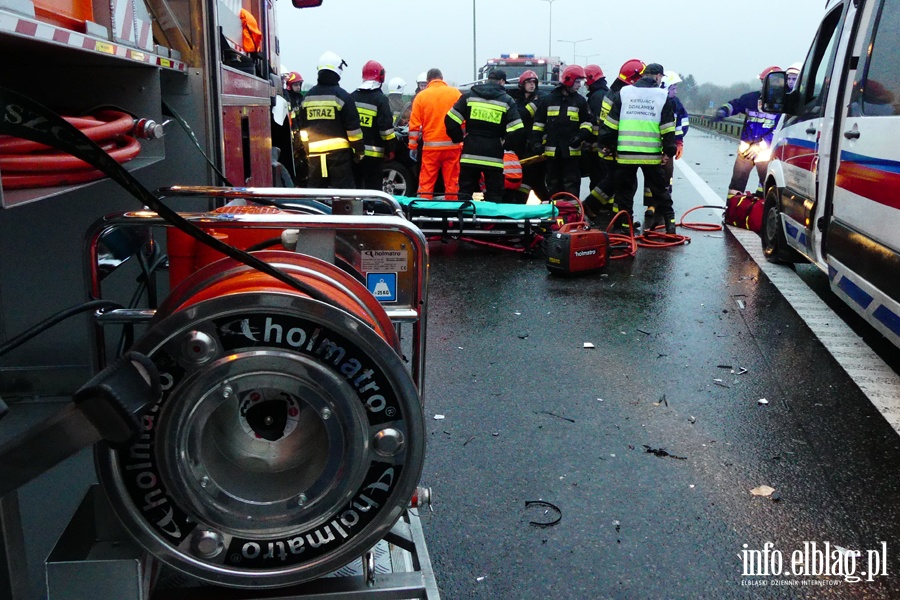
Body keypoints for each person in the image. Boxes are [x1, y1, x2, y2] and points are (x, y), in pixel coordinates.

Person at [599, 63, 677, 235]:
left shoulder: (624, 93)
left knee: (624, 192)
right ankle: (670, 224)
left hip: (625, 154)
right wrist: (668, 152)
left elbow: (611, 124)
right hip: (651, 155)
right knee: (659, 190)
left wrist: (609, 145)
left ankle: (626, 227)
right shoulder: (663, 96)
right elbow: (668, 128)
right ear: (657, 76)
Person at [445, 69, 524, 202]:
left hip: (470, 154)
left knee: (465, 194)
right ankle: (491, 222)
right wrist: (505, 145)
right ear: (502, 82)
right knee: (494, 195)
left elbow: (451, 120)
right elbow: (517, 130)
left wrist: (459, 138)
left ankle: (464, 221)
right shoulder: (507, 100)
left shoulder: (470, 96)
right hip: (494, 156)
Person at [585, 59, 646, 220]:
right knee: (622, 182)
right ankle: (595, 206)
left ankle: (614, 214)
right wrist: (611, 144)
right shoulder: (621, 95)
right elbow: (613, 123)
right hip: (614, 145)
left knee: (616, 181)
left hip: (609, 143)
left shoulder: (613, 92)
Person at [296, 51, 364, 189]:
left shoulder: (307, 98)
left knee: (315, 196)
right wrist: (359, 151)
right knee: (345, 197)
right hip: (339, 158)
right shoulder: (343, 97)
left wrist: (308, 149)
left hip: (315, 157)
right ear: (338, 71)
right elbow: (353, 131)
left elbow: (302, 130)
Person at [713, 66, 782, 198]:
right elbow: (735, 104)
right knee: (736, 185)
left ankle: (762, 215)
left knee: (767, 188)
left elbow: (779, 130)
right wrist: (723, 111)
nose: (763, 86)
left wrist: (760, 146)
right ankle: (731, 213)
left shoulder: (781, 105)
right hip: (745, 151)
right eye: (762, 83)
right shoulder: (751, 99)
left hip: (765, 152)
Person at [528, 64, 594, 196]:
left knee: (572, 183)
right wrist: (536, 143)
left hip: (571, 152)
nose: (579, 85)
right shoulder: (548, 100)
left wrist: (581, 136)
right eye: (577, 82)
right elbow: (538, 124)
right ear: (568, 80)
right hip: (552, 152)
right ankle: (555, 211)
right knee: (553, 183)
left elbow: (588, 122)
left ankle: (571, 212)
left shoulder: (580, 101)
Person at [407, 68, 462, 199]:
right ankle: (452, 215)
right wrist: (461, 141)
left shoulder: (421, 96)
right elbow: (463, 121)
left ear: (428, 81)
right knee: (452, 184)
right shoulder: (455, 94)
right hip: (452, 148)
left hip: (430, 149)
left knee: (426, 184)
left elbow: (414, 125)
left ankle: (423, 214)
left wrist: (413, 147)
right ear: (442, 78)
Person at [642, 70, 690, 209]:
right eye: (673, 88)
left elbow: (681, 124)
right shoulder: (654, 101)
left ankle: (663, 203)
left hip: (668, 146)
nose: (675, 91)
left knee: (667, 174)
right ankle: (651, 205)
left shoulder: (676, 103)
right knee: (651, 175)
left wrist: (679, 142)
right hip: (653, 146)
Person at [350, 60, 397, 190]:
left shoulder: (352, 97)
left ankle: (356, 210)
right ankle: (371, 210)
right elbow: (386, 130)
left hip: (354, 153)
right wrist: (391, 148)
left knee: (356, 188)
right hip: (374, 156)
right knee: (373, 189)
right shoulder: (381, 99)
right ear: (381, 77)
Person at [508, 69, 550, 202]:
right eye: (528, 82)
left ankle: (523, 208)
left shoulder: (540, 98)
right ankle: (550, 206)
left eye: (534, 82)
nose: (532, 85)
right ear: (522, 84)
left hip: (536, 148)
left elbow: (523, 115)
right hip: (522, 147)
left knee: (531, 179)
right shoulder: (518, 100)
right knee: (534, 183)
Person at [583, 64, 609, 201]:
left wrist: (591, 142)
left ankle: (599, 205)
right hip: (604, 144)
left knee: (598, 177)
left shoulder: (596, 97)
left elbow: (596, 122)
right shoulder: (604, 94)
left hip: (597, 146)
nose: (585, 84)